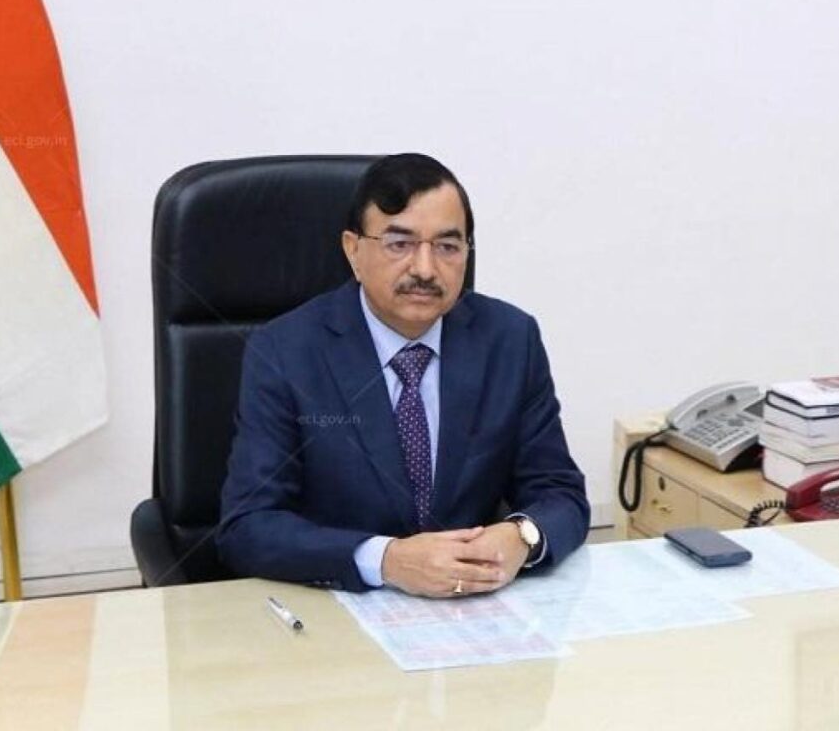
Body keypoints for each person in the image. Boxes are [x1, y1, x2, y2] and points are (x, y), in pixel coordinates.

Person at [217, 153, 589, 597]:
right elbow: (248, 525)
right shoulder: (285, 351)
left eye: (447, 246)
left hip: (473, 609)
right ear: (353, 250)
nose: (425, 269)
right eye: (400, 244)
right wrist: (387, 560)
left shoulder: (510, 339)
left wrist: (521, 537)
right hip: (336, 610)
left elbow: (560, 493)